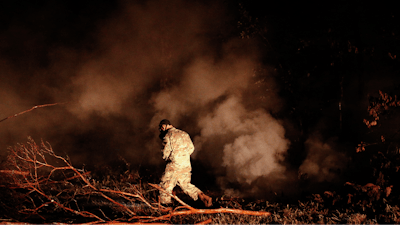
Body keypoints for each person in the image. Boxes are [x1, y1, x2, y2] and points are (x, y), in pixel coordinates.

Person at [158, 119, 212, 207]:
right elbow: (191, 148)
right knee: (186, 185)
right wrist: (183, 156)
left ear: (163, 127)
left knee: (165, 186)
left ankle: (165, 209)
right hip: (186, 164)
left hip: (174, 165)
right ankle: (204, 198)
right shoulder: (184, 134)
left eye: (161, 129)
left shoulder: (168, 136)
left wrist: (171, 157)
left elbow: (165, 154)